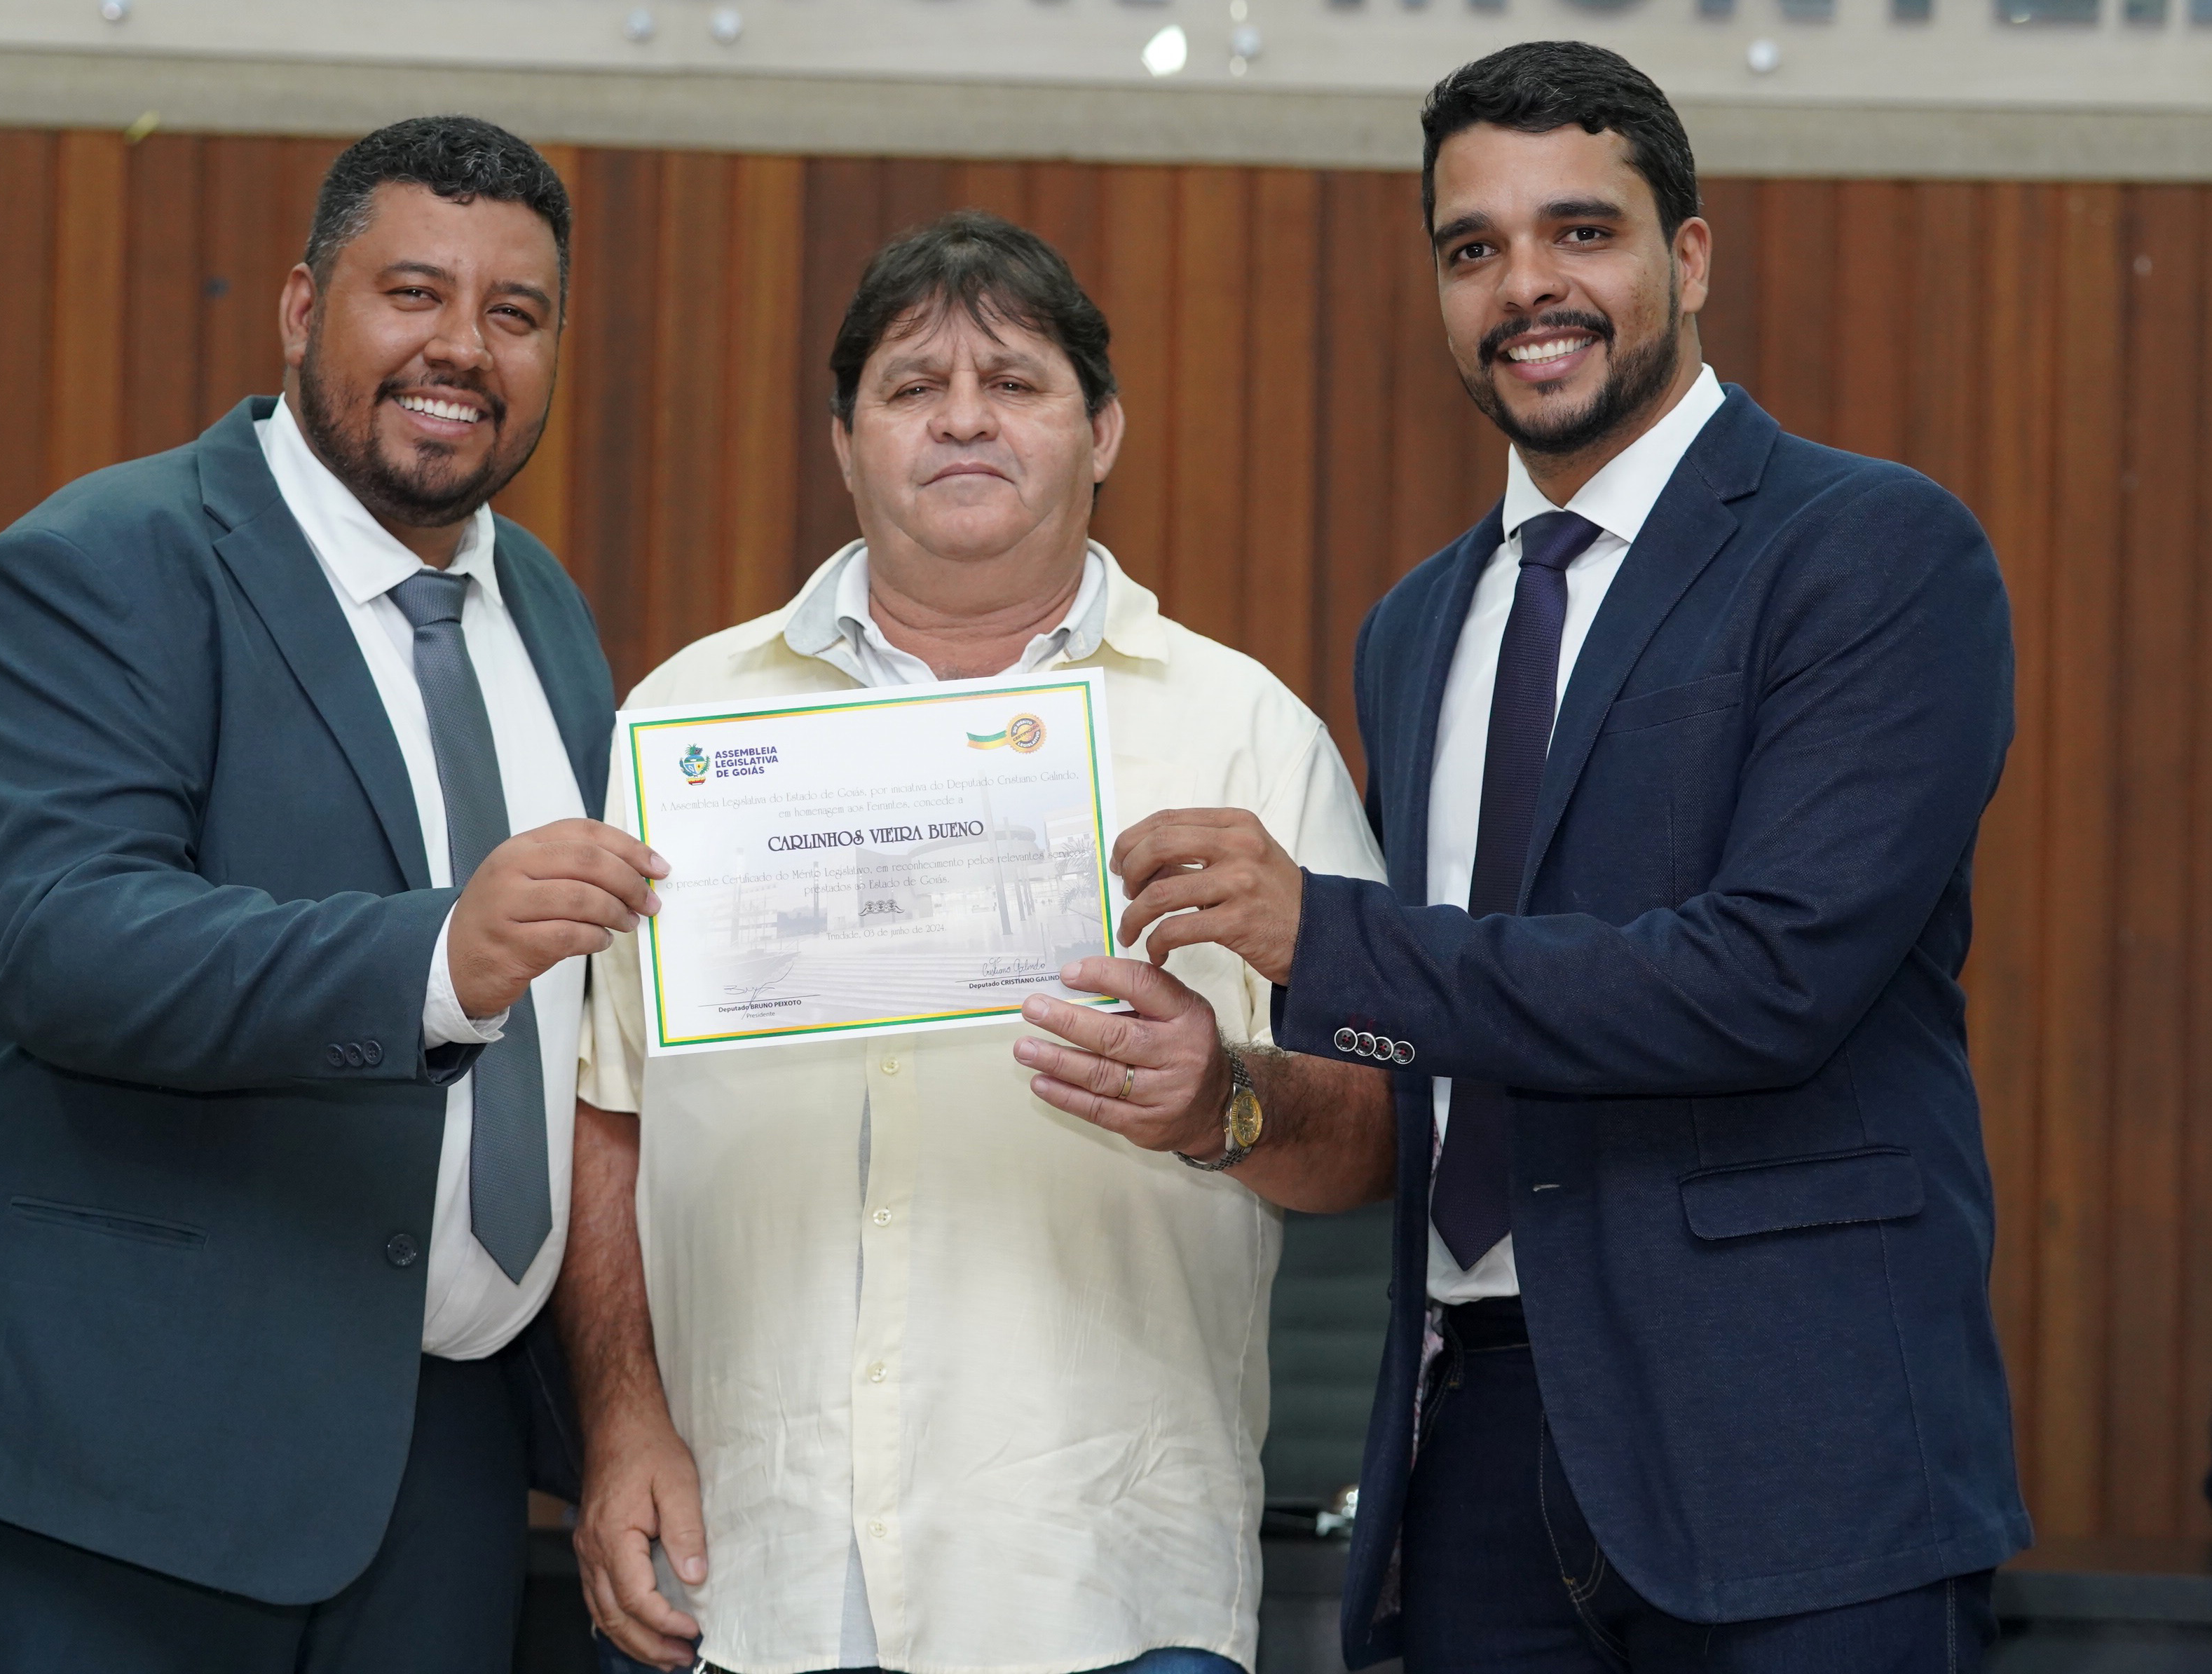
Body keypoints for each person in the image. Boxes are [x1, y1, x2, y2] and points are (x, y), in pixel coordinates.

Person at [1098, 41, 2029, 1673]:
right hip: (1471, 1439)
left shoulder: (1872, 550)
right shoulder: (1416, 628)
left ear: (1691, 256)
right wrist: (1227, 1093)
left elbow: (1768, 982)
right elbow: (1416, 1058)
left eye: (1580, 232)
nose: (1526, 284)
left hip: (1796, 1453)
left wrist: (1330, 936)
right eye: (1474, 247)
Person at [0, 116, 661, 1673]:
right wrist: (440, 956)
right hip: (121, 1448)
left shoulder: (544, 609)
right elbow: (64, 942)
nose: (462, 347)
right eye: (412, 292)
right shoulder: (103, 561)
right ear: (302, 309)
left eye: (514, 312)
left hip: (438, 1450)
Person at [561, 211, 1395, 1674]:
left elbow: (1377, 1135)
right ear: (844, 443)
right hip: (751, 1572)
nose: (962, 419)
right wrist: (623, 1417)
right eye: (911, 386)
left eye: (1013, 382)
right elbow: (604, 1109)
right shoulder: (684, 720)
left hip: (1102, 1579)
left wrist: (1221, 1101)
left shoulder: (1245, 731)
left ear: (1102, 431)